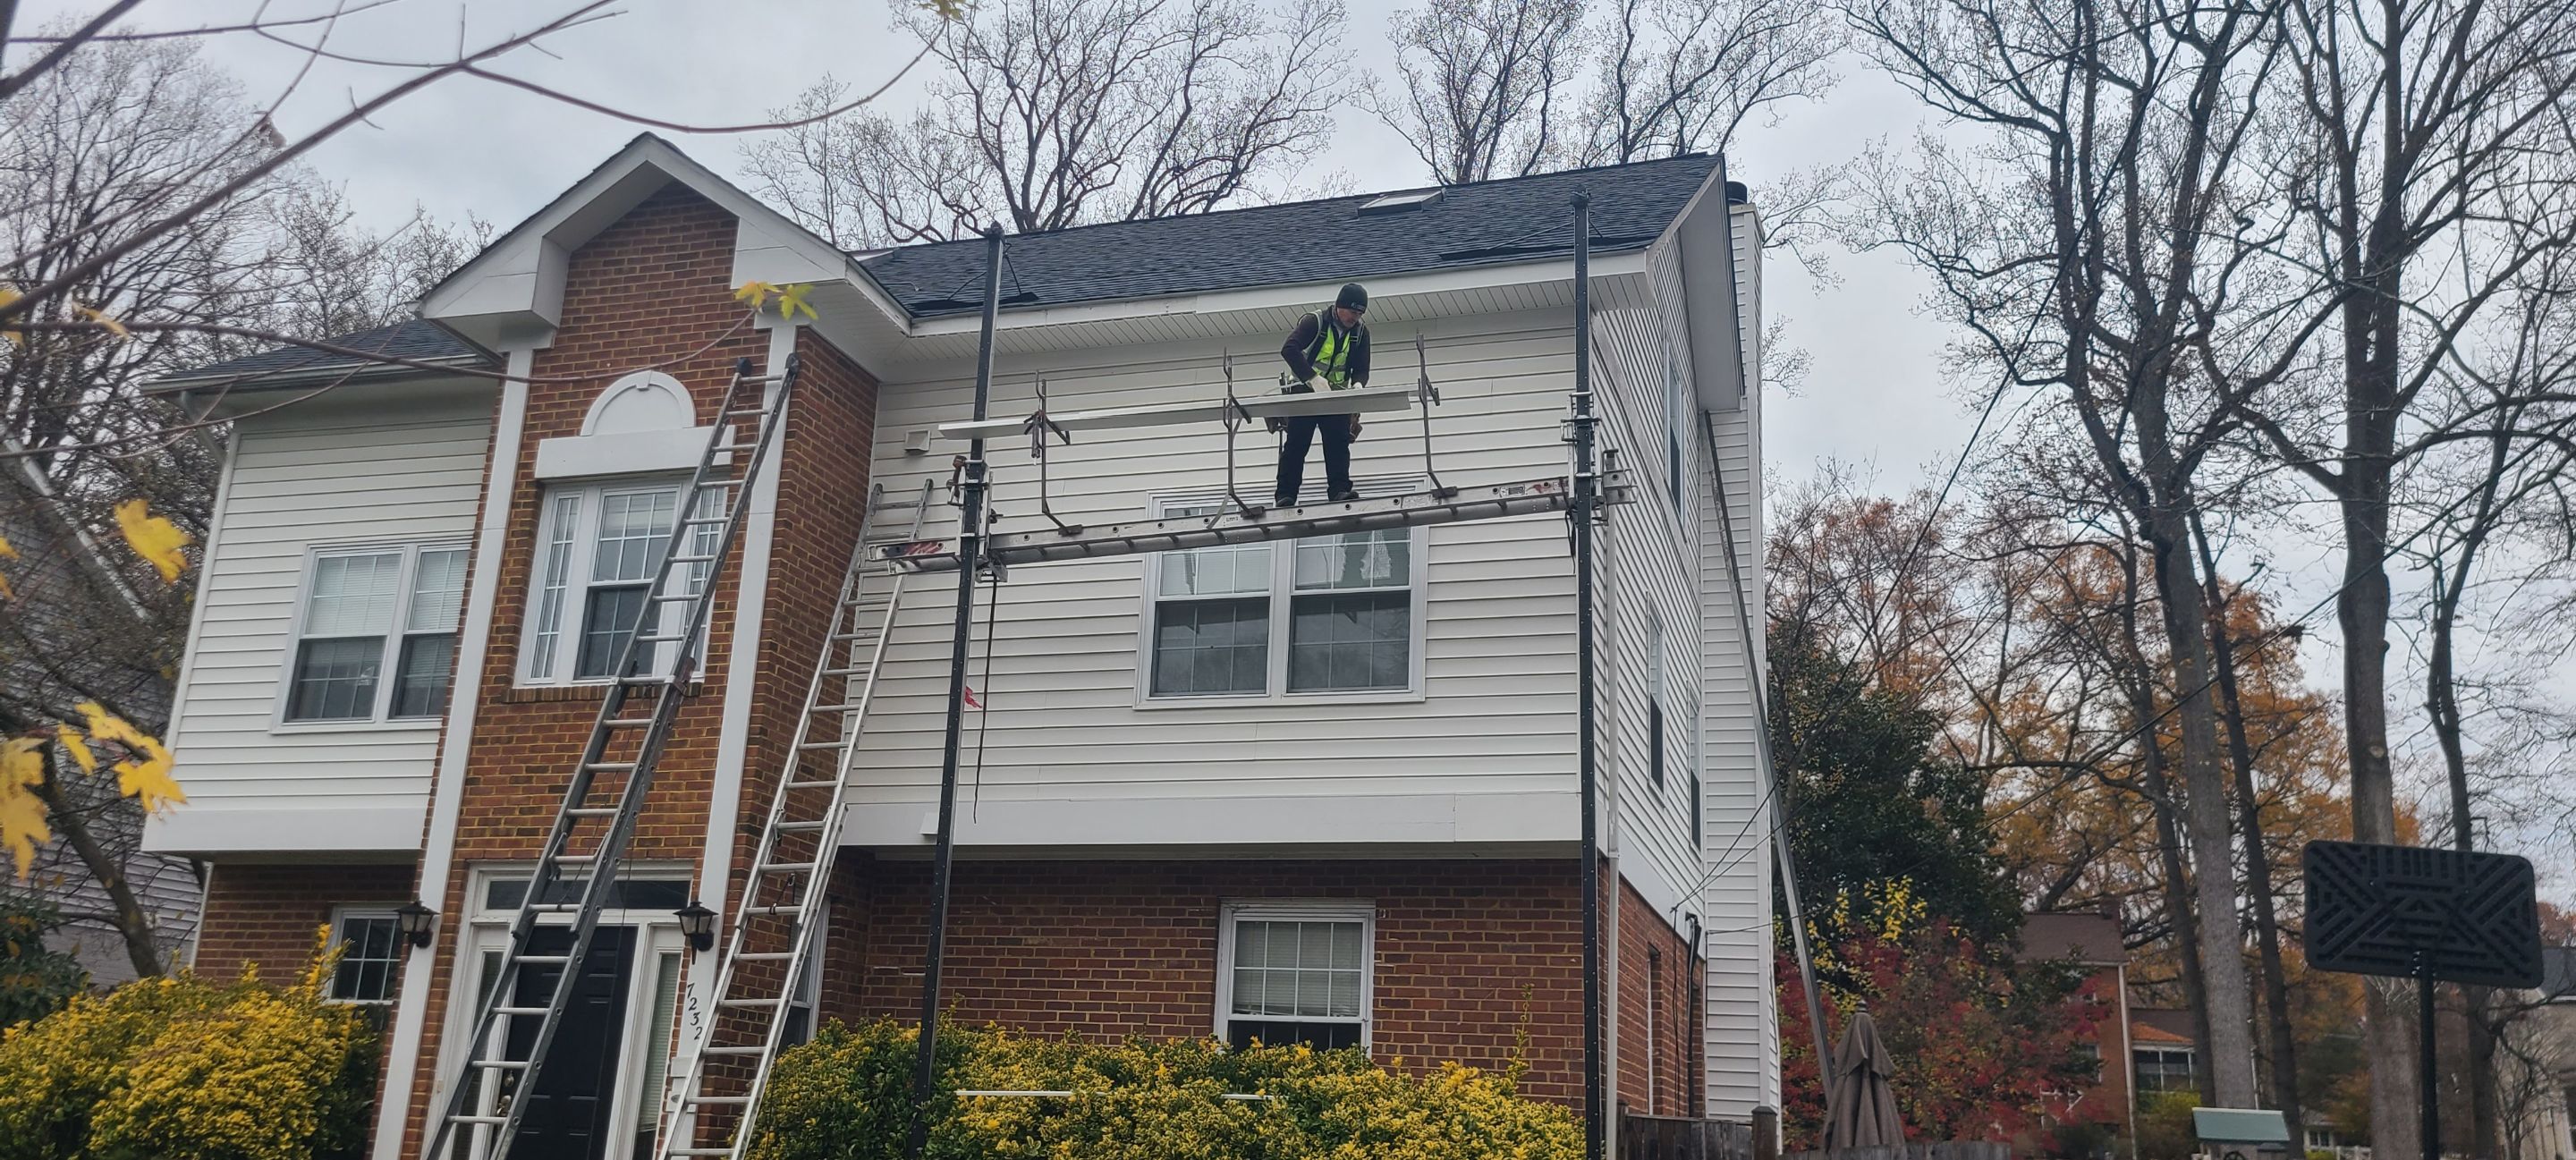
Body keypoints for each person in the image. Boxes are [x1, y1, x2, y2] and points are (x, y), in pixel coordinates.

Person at [1274, 282, 1371, 507]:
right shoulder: (1315, 322)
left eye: (1359, 314)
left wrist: (1358, 385)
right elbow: (1289, 349)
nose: (1355, 318)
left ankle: (1339, 491)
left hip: (1335, 396)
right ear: (1339, 306)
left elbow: (1362, 369)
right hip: (1304, 393)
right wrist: (1312, 378)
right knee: (1297, 444)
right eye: (1352, 312)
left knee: (1338, 444)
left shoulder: (1360, 333)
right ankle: (1285, 495)